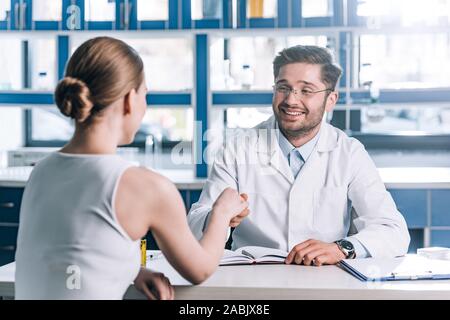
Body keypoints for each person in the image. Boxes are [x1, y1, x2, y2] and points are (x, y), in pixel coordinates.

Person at [15, 37, 249, 300]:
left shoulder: (42, 171)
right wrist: (222, 212)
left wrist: (130, 271)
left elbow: (68, 254)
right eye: (145, 94)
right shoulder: (144, 186)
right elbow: (201, 269)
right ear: (129, 100)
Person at [188, 45, 410, 266]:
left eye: (306, 90)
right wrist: (217, 217)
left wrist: (341, 248)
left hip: (324, 282)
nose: (291, 100)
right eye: (283, 87)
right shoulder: (238, 149)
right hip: (254, 280)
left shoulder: (349, 153)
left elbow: (393, 231)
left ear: (330, 100)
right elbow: (194, 226)